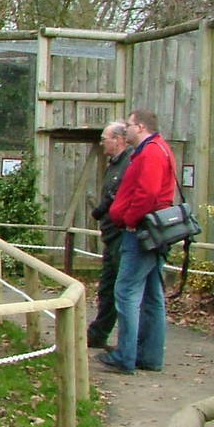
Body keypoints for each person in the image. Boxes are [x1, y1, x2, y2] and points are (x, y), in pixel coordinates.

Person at [100, 109, 178, 374]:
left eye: (130, 125)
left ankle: (126, 354)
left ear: (141, 127)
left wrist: (130, 219)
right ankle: (149, 355)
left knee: (126, 292)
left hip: (141, 232)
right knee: (153, 295)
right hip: (150, 231)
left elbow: (147, 193)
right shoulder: (156, 150)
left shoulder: (152, 152)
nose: (127, 129)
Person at [87, 121, 133, 349]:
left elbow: (116, 195)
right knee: (107, 286)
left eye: (105, 139)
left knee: (120, 287)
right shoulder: (114, 164)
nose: (102, 143)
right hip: (111, 233)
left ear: (118, 139)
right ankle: (98, 333)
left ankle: (126, 343)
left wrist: (99, 211)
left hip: (121, 233)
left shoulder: (129, 163)